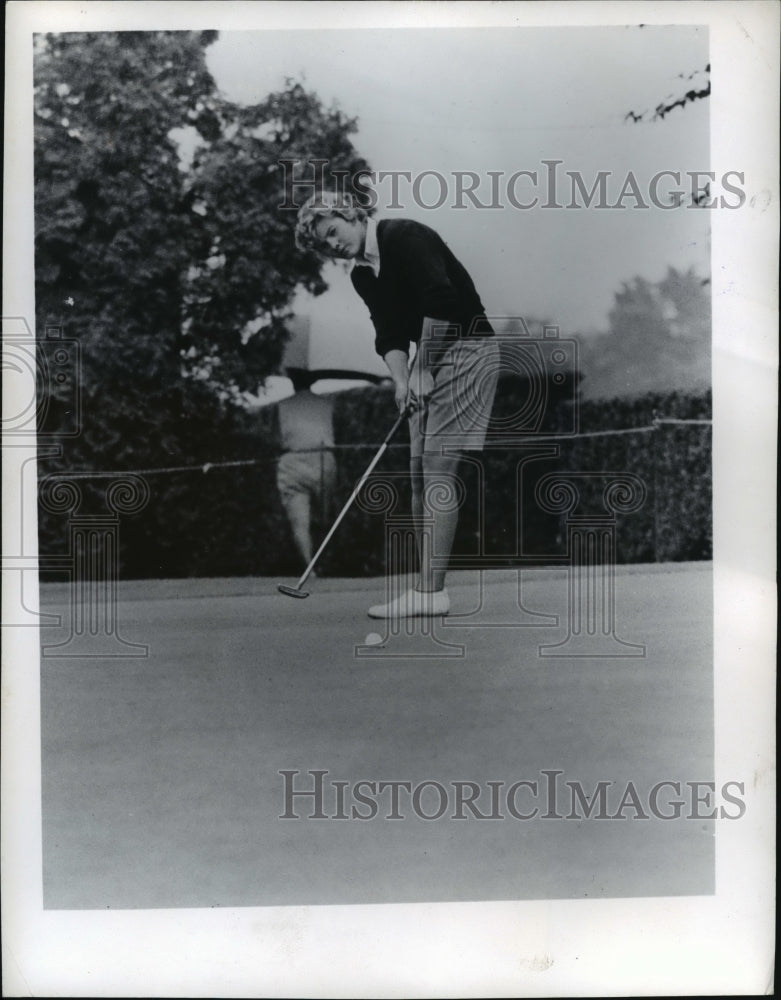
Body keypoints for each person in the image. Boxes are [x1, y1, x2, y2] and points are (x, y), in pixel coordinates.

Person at [295, 193, 499, 618]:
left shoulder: (404, 236)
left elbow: (442, 301)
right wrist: (402, 381)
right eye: (324, 245)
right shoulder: (362, 275)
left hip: (468, 349)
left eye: (332, 231)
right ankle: (428, 588)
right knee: (419, 475)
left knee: (438, 467)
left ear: (350, 214)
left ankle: (431, 592)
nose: (333, 244)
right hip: (431, 357)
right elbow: (388, 334)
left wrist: (422, 369)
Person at [276, 368, 336, 573]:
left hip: (293, 459)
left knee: (299, 521)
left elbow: (276, 438)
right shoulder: (326, 403)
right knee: (325, 517)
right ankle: (323, 562)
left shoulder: (282, 405)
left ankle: (310, 567)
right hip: (322, 458)